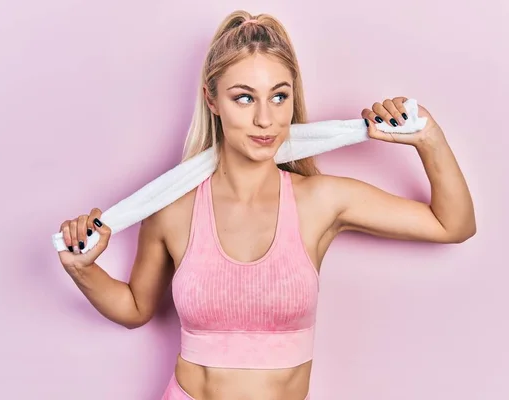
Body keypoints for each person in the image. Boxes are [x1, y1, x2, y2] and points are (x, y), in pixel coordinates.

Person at [56, 9, 476, 400]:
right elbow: (135, 308)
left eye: (279, 96)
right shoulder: (172, 208)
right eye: (244, 97)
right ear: (212, 100)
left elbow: (451, 225)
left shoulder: (321, 200)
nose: (265, 119)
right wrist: (83, 268)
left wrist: (428, 137)